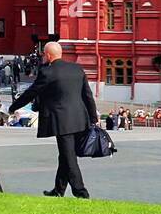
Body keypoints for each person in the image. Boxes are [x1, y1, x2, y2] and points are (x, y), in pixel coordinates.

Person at [8, 41, 99, 198]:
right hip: (80, 119)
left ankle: (81, 193)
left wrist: (13, 107)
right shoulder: (77, 69)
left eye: (44, 54)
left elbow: (31, 92)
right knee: (65, 155)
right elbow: (87, 95)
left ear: (48, 55)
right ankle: (58, 190)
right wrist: (93, 117)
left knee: (69, 157)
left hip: (61, 121)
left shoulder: (48, 72)